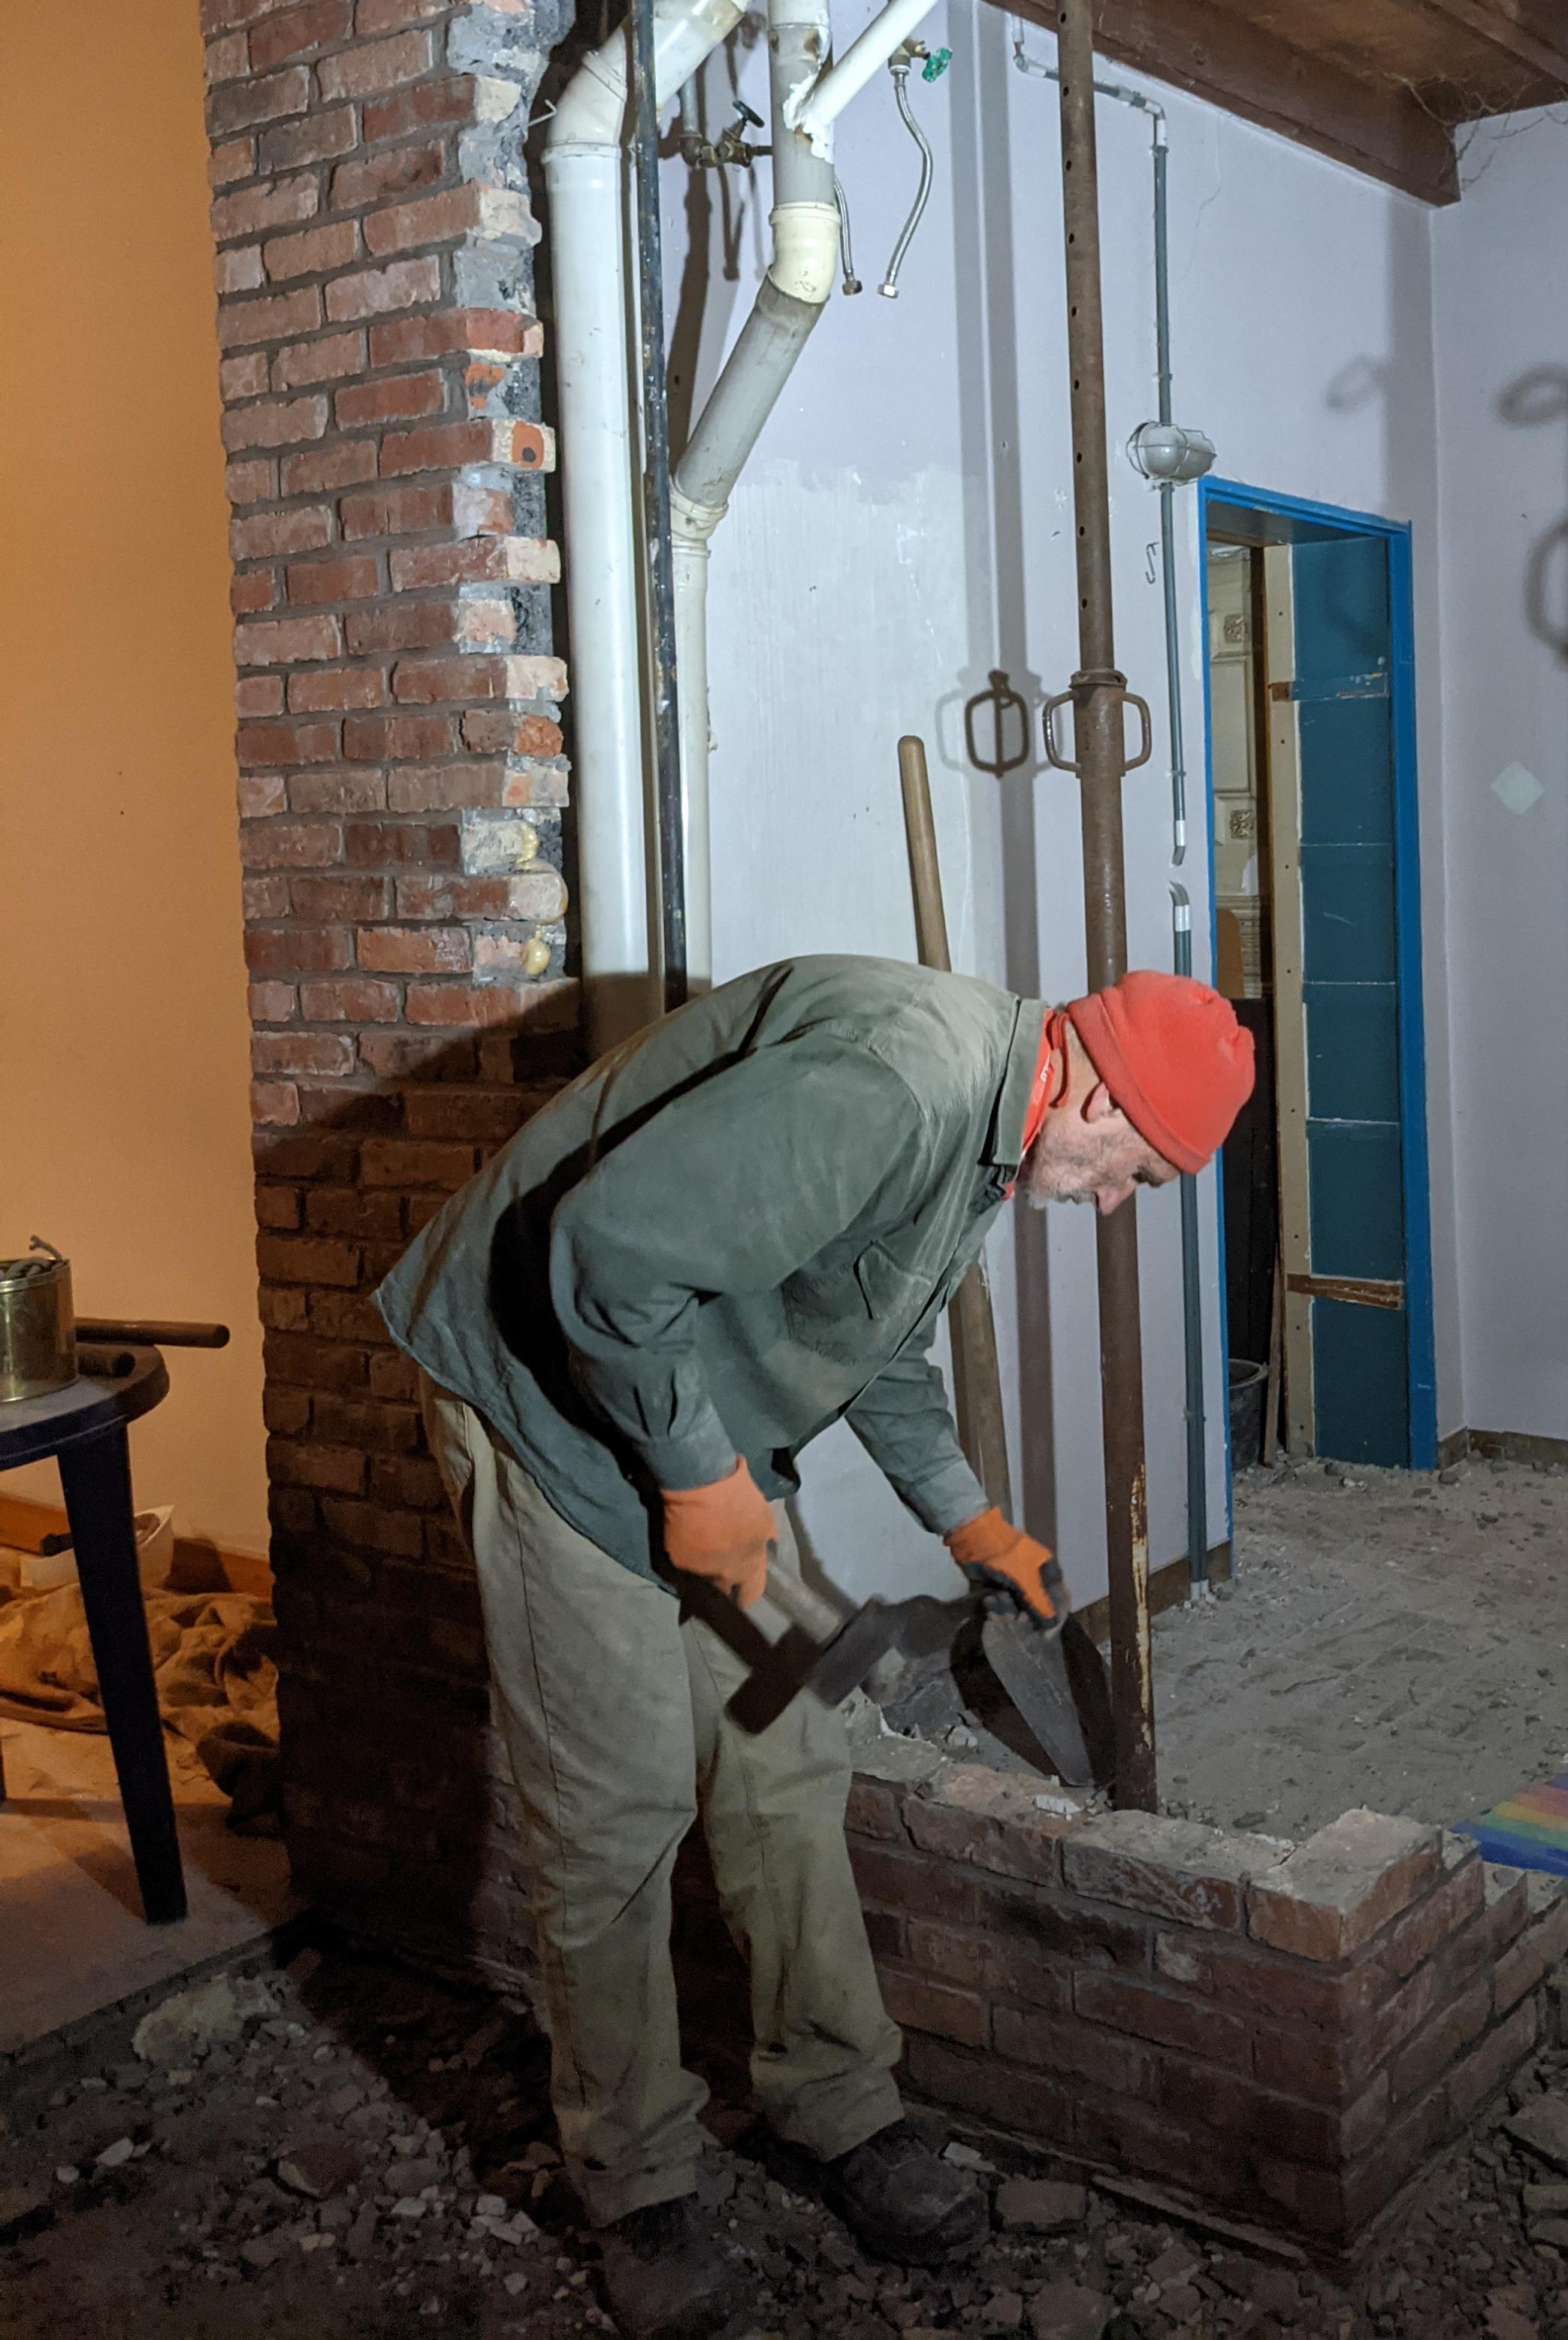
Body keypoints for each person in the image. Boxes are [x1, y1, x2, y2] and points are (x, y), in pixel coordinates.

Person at [376, 954, 1254, 2340]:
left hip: (683, 1417)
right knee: (617, 1811)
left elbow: (871, 1338)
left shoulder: (990, 1130)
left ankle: (836, 2102)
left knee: (791, 1755)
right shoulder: (899, 1085)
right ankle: (637, 2176)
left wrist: (966, 1517)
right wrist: (698, 1480)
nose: (1107, 1203)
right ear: (1100, 1094)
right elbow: (605, 1254)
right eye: (1132, 1175)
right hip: (551, 1410)